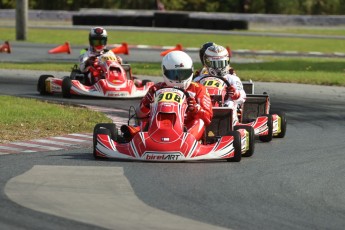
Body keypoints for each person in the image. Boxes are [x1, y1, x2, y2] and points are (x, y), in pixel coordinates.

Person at [121, 50, 213, 142]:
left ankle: (186, 142)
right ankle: (141, 139)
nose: (179, 78)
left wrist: (196, 108)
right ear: (165, 71)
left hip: (186, 129)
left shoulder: (198, 89)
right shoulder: (156, 88)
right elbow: (139, 114)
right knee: (144, 121)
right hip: (157, 127)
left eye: (183, 74)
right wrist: (146, 104)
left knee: (200, 122)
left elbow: (208, 118)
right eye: (174, 74)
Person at [194, 44, 246, 124]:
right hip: (204, 110)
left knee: (229, 103)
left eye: (222, 63)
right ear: (207, 63)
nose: (219, 68)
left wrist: (235, 93)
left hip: (225, 109)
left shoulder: (232, 78)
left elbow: (243, 97)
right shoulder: (198, 79)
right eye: (215, 64)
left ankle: (228, 124)